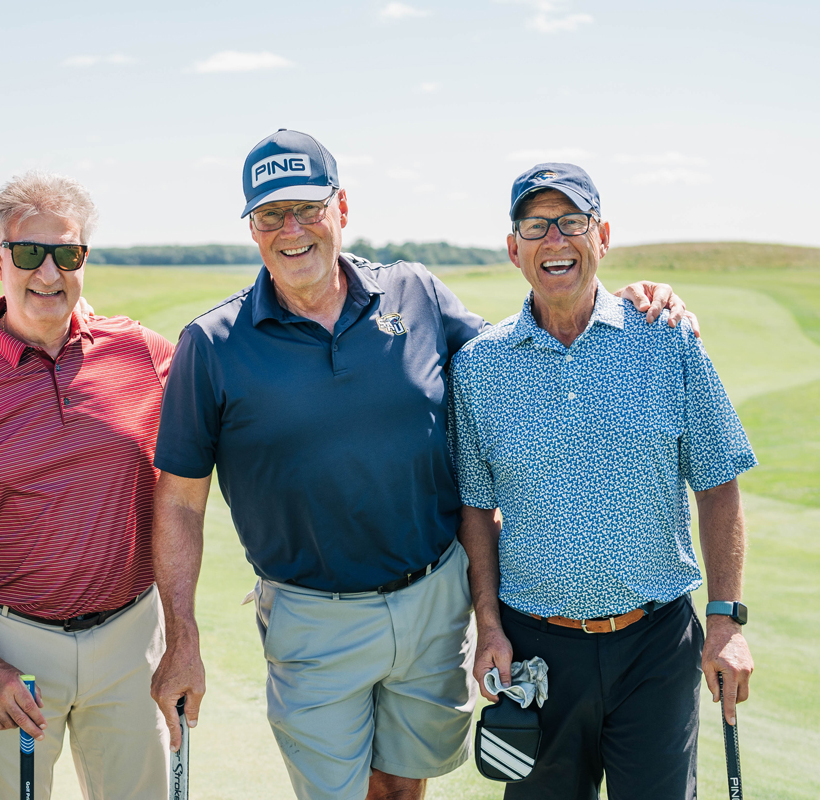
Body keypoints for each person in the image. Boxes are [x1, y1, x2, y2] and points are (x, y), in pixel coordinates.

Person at [148, 129, 698, 800]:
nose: (292, 230)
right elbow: (179, 503)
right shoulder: (212, 344)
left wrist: (617, 303)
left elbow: (514, 357)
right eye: (270, 215)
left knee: (403, 787)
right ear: (253, 228)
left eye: (308, 209)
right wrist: (181, 638)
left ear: (341, 209)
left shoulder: (415, 293)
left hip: (433, 598)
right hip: (309, 615)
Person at [448, 163, 755, 799]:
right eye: (535, 227)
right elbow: (475, 508)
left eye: (571, 223)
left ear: (603, 235)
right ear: (513, 249)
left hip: (655, 645)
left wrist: (725, 621)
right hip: (536, 648)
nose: (554, 240)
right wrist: (489, 628)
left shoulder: (667, 340)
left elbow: (718, 481)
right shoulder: (479, 367)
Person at [0, 171, 175, 800]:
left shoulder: (145, 356)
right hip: (8, 646)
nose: (48, 273)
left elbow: (191, 491)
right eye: (29, 254)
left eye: (68, 253)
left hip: (130, 638)